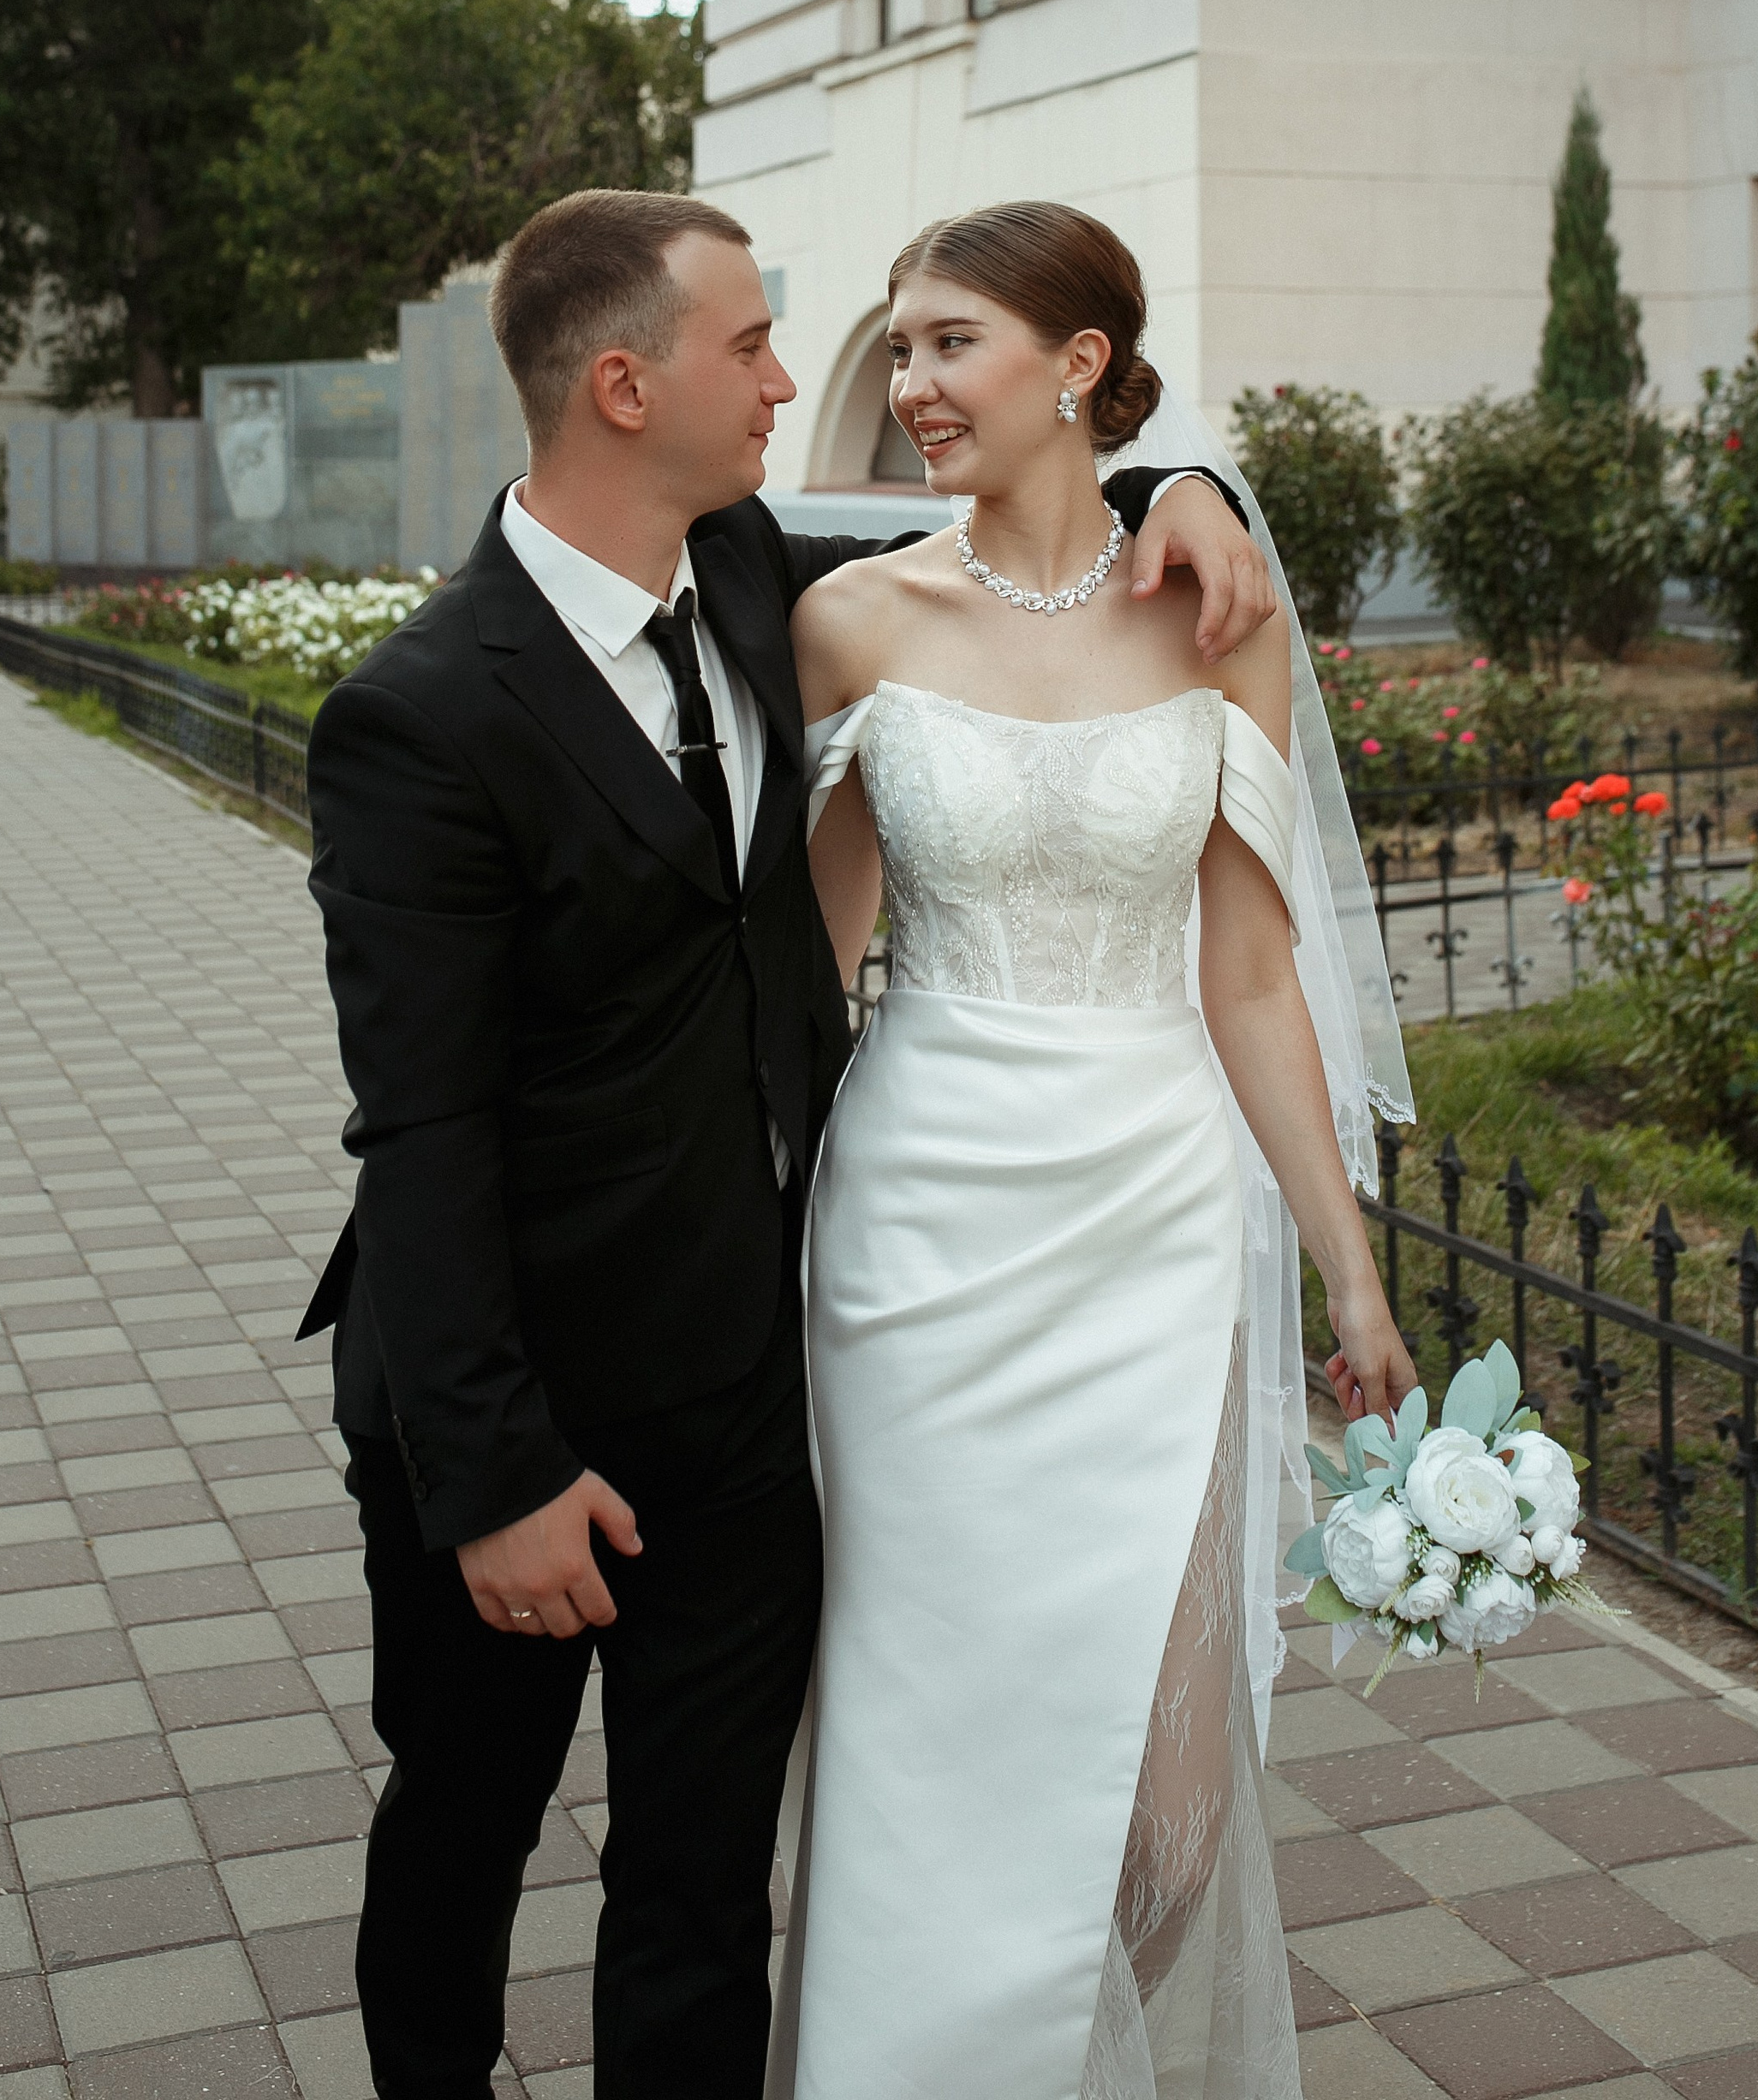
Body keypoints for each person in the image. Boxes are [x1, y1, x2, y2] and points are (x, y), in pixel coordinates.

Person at [296, 187, 1276, 2100]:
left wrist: (1193, 485)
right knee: (463, 1837)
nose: (789, 380)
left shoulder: (752, 577)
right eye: (751, 347)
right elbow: (417, 1131)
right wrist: (496, 1472)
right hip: (502, 1392)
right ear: (619, 382)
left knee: (696, 1886)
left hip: (746, 1386)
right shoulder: (412, 716)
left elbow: (1044, 469)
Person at [772, 200, 1420, 2100]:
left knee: (1170, 1802)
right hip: (917, 1235)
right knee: (927, 1743)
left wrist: (1348, 1267)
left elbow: (1246, 975)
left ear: (1077, 367)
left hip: (1150, 1216)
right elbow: (803, 978)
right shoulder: (848, 619)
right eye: (897, 351)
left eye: (948, 344)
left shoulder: (1215, 616)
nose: (907, 389)